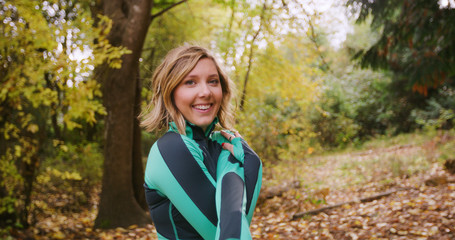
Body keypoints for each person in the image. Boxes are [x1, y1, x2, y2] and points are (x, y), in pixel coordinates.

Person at [140, 45, 262, 240]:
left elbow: (238, 224)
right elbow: (226, 232)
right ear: (170, 92)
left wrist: (247, 161)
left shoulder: (217, 146)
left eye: (213, 81)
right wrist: (249, 165)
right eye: (190, 82)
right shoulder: (171, 149)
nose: (205, 92)